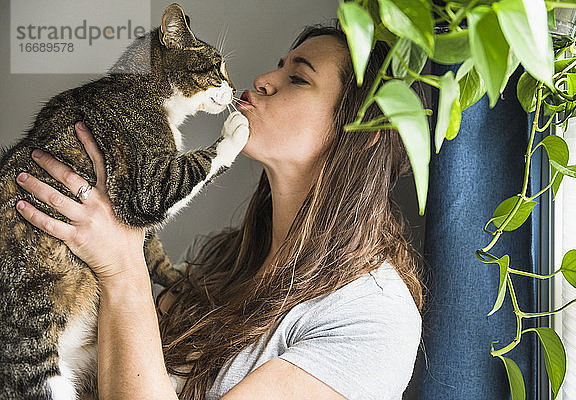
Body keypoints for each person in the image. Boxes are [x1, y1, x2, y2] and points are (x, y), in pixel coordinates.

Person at [15, 23, 424, 400]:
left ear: (364, 132)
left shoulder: (373, 318)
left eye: (298, 78)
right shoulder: (224, 264)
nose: (263, 79)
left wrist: (122, 267)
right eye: (279, 66)